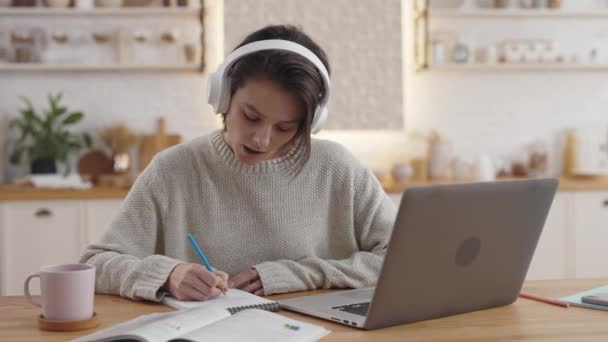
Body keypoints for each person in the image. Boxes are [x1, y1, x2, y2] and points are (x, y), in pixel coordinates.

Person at [80, 24, 396, 303]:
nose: (261, 139)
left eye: (284, 128)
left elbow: (404, 259)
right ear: (223, 95)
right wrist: (168, 275)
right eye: (251, 116)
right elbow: (97, 263)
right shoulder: (173, 170)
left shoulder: (336, 167)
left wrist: (301, 274)